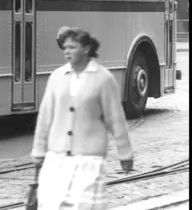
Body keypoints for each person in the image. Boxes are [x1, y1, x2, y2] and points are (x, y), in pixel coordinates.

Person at [32, 26, 134, 210]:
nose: (67, 52)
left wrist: (125, 153)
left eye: (72, 47)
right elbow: (45, 117)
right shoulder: (57, 77)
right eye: (65, 48)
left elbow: (115, 118)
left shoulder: (103, 79)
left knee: (83, 206)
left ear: (86, 49)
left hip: (89, 161)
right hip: (57, 159)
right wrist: (39, 150)